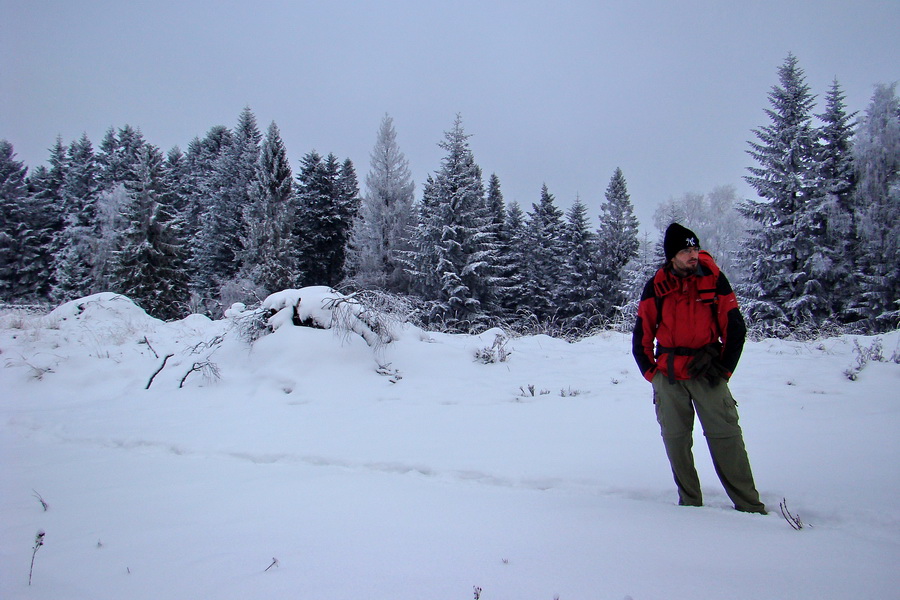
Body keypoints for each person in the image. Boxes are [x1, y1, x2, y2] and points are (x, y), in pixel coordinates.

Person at [632, 223, 766, 514]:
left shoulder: (714, 278)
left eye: (694, 248)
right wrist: (652, 375)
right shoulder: (657, 284)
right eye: (685, 250)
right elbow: (642, 332)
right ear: (672, 256)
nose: (693, 255)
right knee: (676, 442)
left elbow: (735, 328)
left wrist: (725, 371)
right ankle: (690, 506)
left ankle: (749, 505)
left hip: (708, 373)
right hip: (668, 376)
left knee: (726, 438)